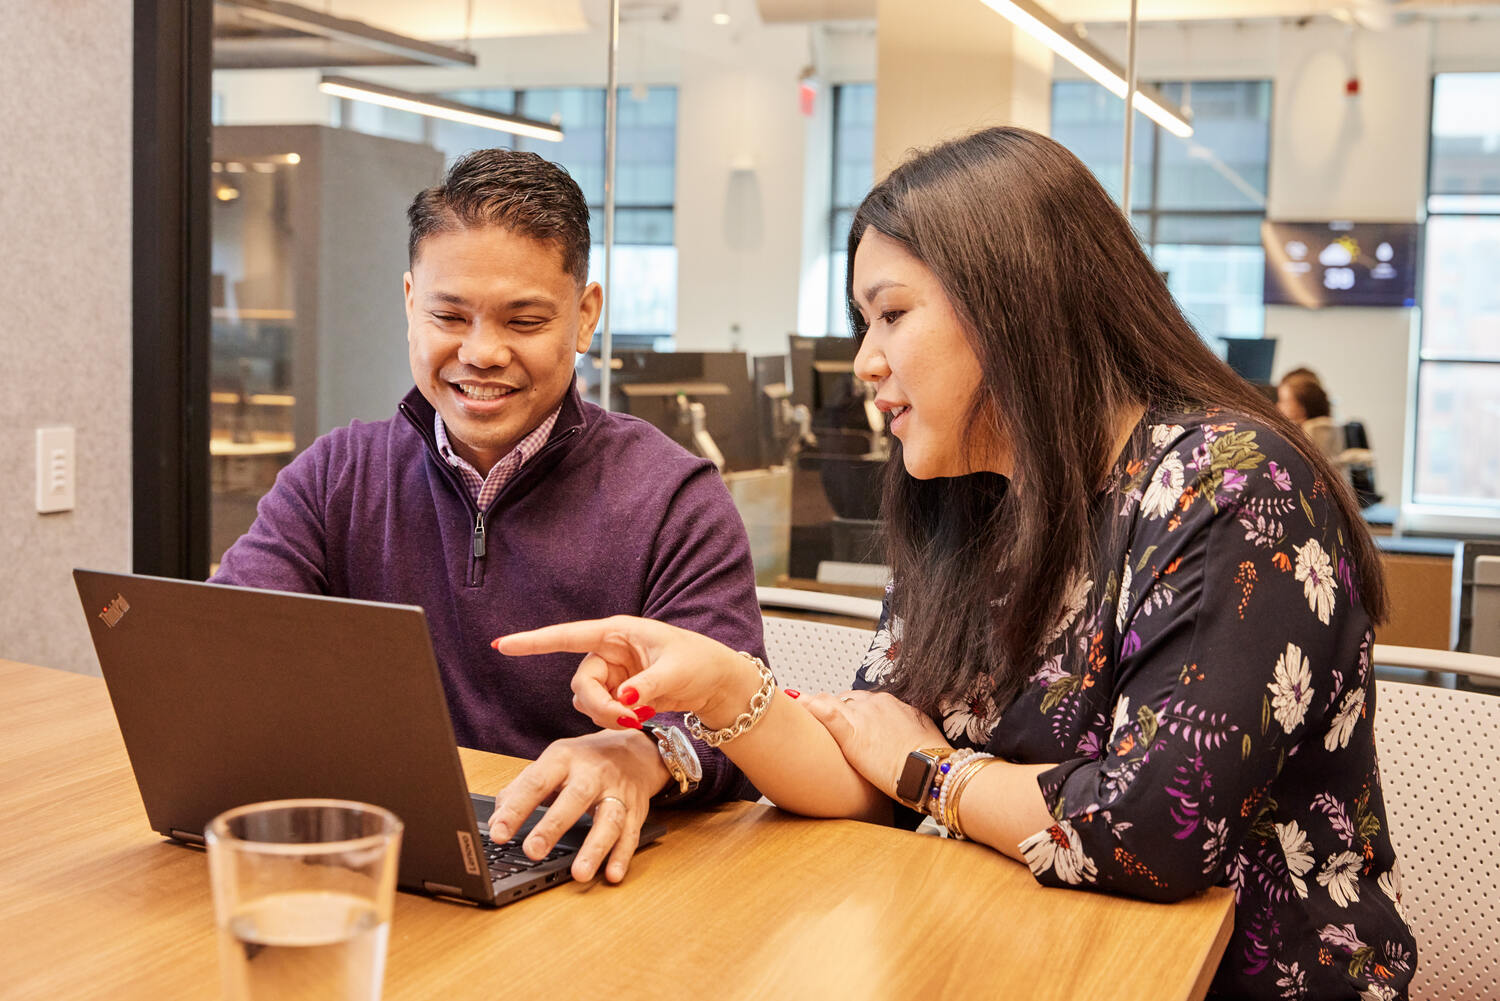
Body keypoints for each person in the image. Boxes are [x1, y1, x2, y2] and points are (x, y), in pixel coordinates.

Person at [496, 128, 1415, 1000]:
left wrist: (938, 774)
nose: (864, 361)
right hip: (1014, 954)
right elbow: (868, 765)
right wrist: (724, 687)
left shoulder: (1231, 487)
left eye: (891, 314)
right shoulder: (976, 491)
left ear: (1017, 303)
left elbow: (1146, 831)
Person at [213, 148, 765, 885]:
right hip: (378, 859)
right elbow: (220, 647)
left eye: (525, 319)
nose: (481, 352)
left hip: (591, 875)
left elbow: (740, 724)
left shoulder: (675, 498)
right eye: (449, 315)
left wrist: (642, 754)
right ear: (410, 301)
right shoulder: (336, 475)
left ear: (585, 315)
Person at [1276, 367, 1345, 460]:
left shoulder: (1314, 430)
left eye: (1284, 401)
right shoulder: (1331, 426)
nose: (1277, 406)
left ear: (1302, 407)